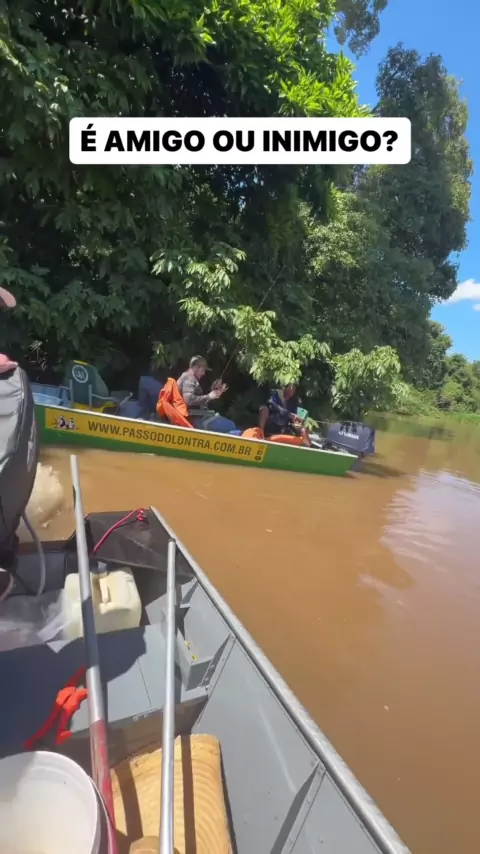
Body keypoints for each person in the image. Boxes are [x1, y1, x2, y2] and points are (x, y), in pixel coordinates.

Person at [177, 356, 237, 434]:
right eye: (202, 370)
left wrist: (212, 391)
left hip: (199, 416)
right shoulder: (189, 379)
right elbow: (188, 400)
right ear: (195, 367)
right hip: (195, 419)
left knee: (230, 426)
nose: (204, 373)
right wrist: (209, 396)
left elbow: (197, 401)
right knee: (231, 426)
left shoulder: (188, 378)